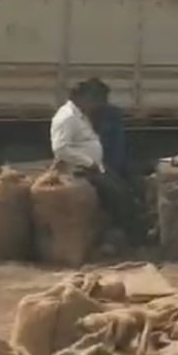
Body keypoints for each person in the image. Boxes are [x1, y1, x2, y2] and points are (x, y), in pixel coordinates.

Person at [50, 79, 143, 245]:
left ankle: (128, 234)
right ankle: (126, 237)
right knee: (118, 194)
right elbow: (61, 149)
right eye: (97, 100)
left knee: (128, 186)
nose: (99, 106)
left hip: (93, 166)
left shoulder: (81, 114)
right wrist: (88, 162)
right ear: (85, 97)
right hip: (79, 169)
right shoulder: (67, 117)